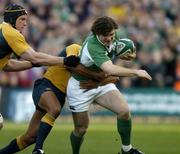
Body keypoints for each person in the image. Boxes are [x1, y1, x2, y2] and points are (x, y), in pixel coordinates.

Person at [0, 43, 119, 154]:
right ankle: (38, 149)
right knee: (54, 108)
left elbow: (114, 77)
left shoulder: (95, 66)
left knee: (29, 137)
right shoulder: (76, 48)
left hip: (59, 97)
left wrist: (99, 79)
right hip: (45, 86)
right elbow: (71, 63)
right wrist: (97, 77)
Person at [66, 16, 152, 154]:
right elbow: (110, 69)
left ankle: (126, 149)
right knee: (81, 129)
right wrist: (137, 72)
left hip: (101, 83)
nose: (110, 38)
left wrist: (127, 55)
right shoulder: (93, 45)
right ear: (96, 34)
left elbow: (115, 51)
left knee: (124, 111)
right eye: (106, 36)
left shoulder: (113, 35)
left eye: (112, 34)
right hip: (81, 86)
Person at [0, 3, 79, 72]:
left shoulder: (3, 28)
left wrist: (32, 64)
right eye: (22, 19)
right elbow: (34, 57)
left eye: (26, 20)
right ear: (12, 19)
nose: (25, 24)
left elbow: (6, 65)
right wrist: (64, 60)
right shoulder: (12, 34)